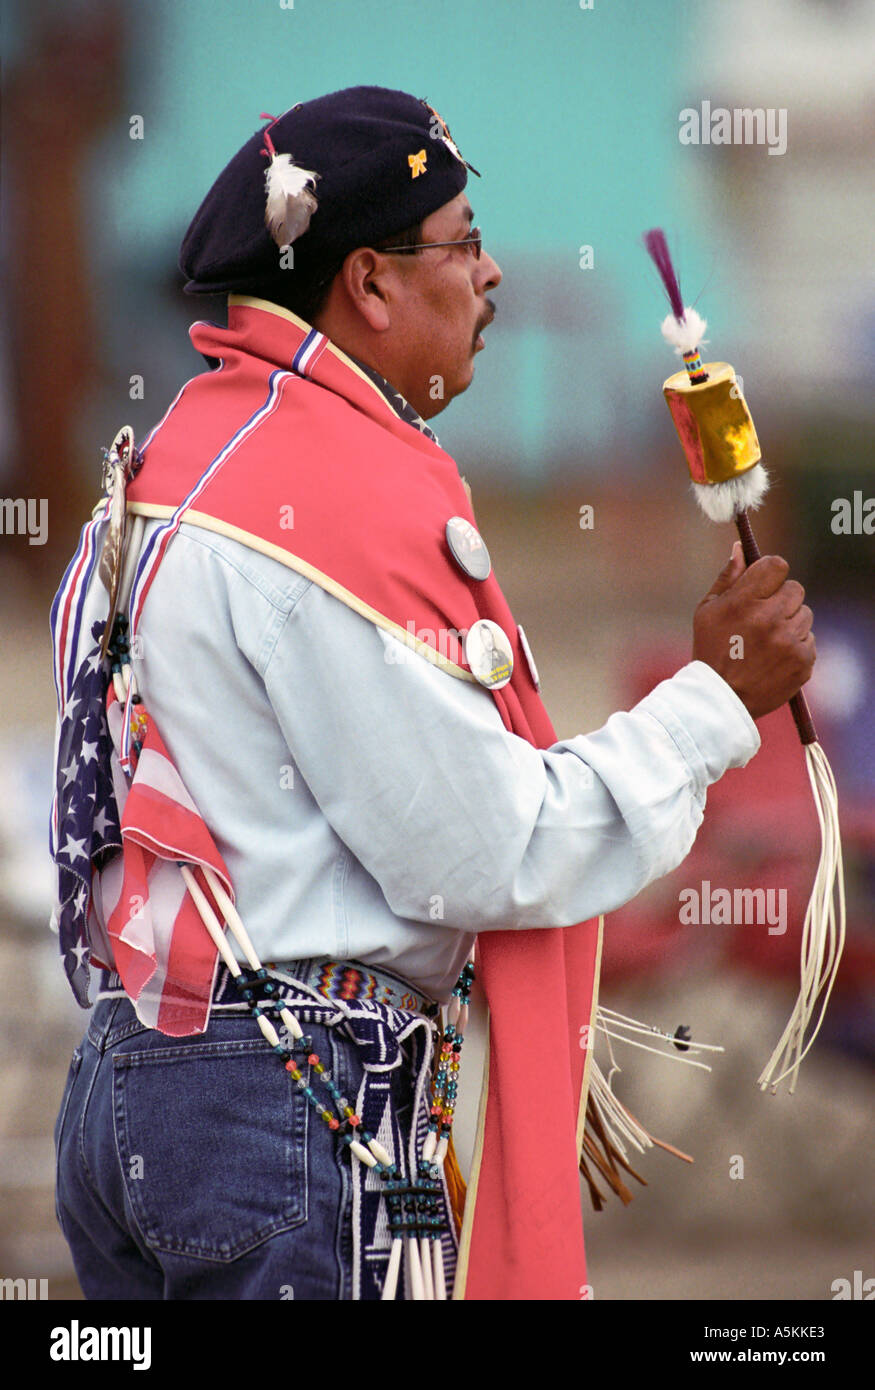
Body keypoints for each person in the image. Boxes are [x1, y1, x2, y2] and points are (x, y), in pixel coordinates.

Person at [50, 86, 815, 1302]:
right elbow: (483, 851)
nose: (492, 272)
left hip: (131, 1092)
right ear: (369, 282)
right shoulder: (323, 514)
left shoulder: (157, 477)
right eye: (462, 241)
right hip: (280, 1108)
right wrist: (713, 703)